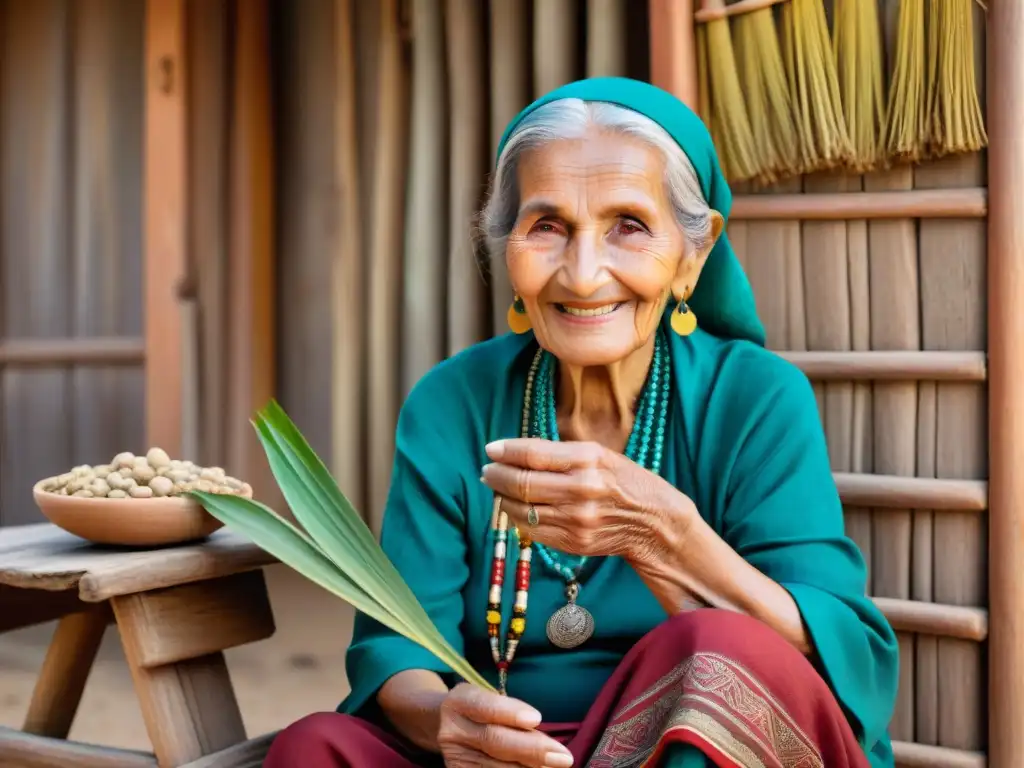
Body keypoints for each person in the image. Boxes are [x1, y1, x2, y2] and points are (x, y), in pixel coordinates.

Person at [264, 77, 899, 768]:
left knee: (715, 653)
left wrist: (665, 534)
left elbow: (839, 649)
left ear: (693, 254)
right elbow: (398, 650)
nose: (585, 272)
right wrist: (451, 721)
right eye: (548, 227)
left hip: (681, 743)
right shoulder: (454, 402)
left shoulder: (755, 397)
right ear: (506, 248)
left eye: (628, 226)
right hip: (514, 757)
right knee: (315, 748)